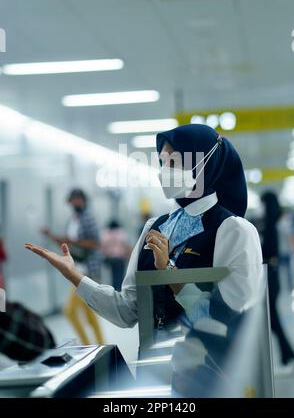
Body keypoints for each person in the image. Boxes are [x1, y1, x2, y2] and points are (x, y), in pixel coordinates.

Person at [25, 124, 263, 396]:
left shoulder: (233, 230)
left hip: (212, 378)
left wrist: (170, 273)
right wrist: (75, 277)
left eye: (174, 162)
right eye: (162, 162)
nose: (165, 171)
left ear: (204, 163)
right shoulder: (155, 226)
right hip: (155, 378)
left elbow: (232, 320)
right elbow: (127, 311)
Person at [41, 189, 104, 345]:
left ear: (83, 200)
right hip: (77, 269)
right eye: (73, 200)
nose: (75, 203)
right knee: (89, 313)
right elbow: (67, 244)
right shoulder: (73, 220)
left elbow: (94, 243)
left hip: (87, 271)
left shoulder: (87, 218)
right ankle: (100, 345)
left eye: (78, 199)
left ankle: (86, 345)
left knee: (69, 311)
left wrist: (71, 241)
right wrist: (51, 236)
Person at [261, 191, 294, 371]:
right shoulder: (274, 222)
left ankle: (289, 355)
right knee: (273, 320)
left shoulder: (271, 225)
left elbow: (270, 250)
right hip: (273, 275)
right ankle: (287, 355)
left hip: (271, 277)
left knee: (273, 320)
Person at [100, 220, 131, 291]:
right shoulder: (121, 233)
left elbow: (103, 247)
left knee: (109, 277)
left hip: (109, 259)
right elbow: (126, 246)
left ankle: (111, 290)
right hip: (120, 259)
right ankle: (118, 290)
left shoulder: (106, 233)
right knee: (119, 277)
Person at [278, 210, 294, 291]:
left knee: (284, 271)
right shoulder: (286, 224)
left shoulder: (278, 224)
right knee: (290, 270)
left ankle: (285, 286)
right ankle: (290, 286)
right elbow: (292, 237)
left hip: (281, 250)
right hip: (287, 250)